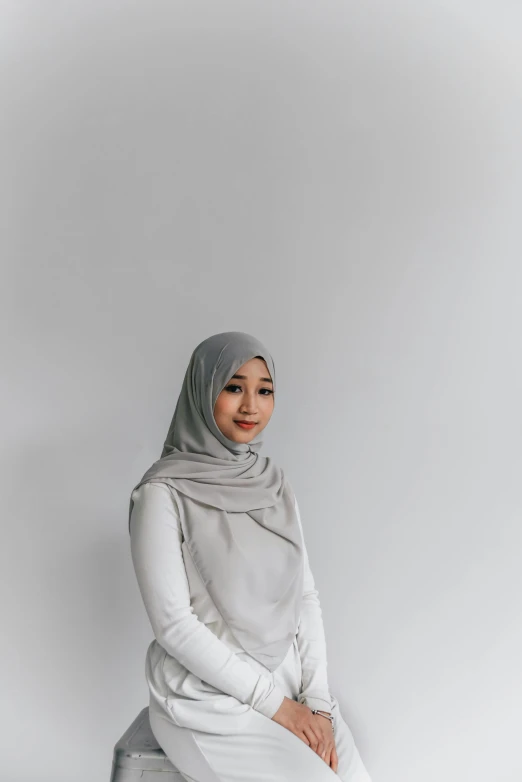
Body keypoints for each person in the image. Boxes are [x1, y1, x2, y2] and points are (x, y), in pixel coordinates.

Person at [128, 331, 372, 782]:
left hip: (290, 688)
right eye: (234, 387)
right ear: (202, 392)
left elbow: (306, 598)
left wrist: (315, 702)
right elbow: (173, 626)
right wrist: (279, 709)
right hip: (206, 701)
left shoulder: (274, 485)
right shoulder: (161, 493)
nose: (250, 406)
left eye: (265, 390)